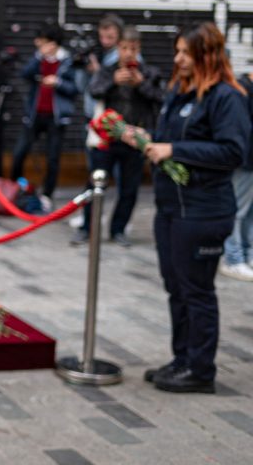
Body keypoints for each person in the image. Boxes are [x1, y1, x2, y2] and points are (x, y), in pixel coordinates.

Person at [139, 22, 249, 394]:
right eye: (177, 51)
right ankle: (182, 359)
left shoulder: (226, 97)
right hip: (171, 208)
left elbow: (233, 151)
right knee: (176, 287)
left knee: (197, 290)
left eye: (185, 52)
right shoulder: (179, 92)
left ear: (206, 54)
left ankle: (201, 371)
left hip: (203, 212)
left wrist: (174, 150)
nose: (178, 59)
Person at [73, 26, 163, 247]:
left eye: (133, 48)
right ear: (118, 48)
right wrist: (113, 80)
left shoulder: (150, 73)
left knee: (130, 188)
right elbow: (93, 91)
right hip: (107, 137)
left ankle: (118, 229)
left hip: (135, 139)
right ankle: (87, 228)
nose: (129, 53)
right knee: (95, 184)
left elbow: (162, 99)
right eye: (124, 48)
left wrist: (141, 84)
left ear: (138, 48)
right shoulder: (107, 70)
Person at [10, 24, 78, 210]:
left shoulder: (68, 61)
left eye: (43, 41)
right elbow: (24, 73)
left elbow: (75, 89)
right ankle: (16, 189)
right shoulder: (38, 59)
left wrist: (58, 82)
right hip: (34, 114)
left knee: (53, 157)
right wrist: (39, 56)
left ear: (53, 43)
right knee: (19, 152)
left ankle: (47, 194)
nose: (39, 44)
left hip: (56, 117)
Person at [219, 71, 253, 282]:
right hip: (245, 160)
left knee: (250, 212)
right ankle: (232, 258)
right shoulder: (241, 89)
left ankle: (247, 254)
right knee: (237, 210)